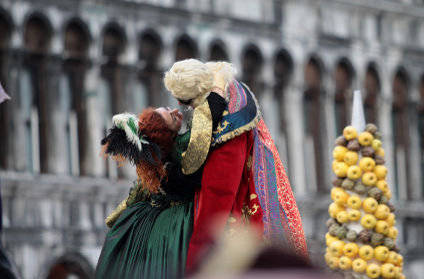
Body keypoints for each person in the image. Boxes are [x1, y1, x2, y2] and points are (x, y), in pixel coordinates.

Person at [163, 59, 309, 273]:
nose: (185, 108)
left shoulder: (228, 127)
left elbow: (218, 194)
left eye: (187, 103)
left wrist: (196, 260)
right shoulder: (230, 91)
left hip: (240, 224)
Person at [96, 101, 226, 279]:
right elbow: (203, 134)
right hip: (177, 226)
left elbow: (138, 192)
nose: (175, 110)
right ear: (165, 133)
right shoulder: (178, 155)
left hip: (153, 221)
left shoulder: (159, 162)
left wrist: (116, 215)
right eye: (171, 115)